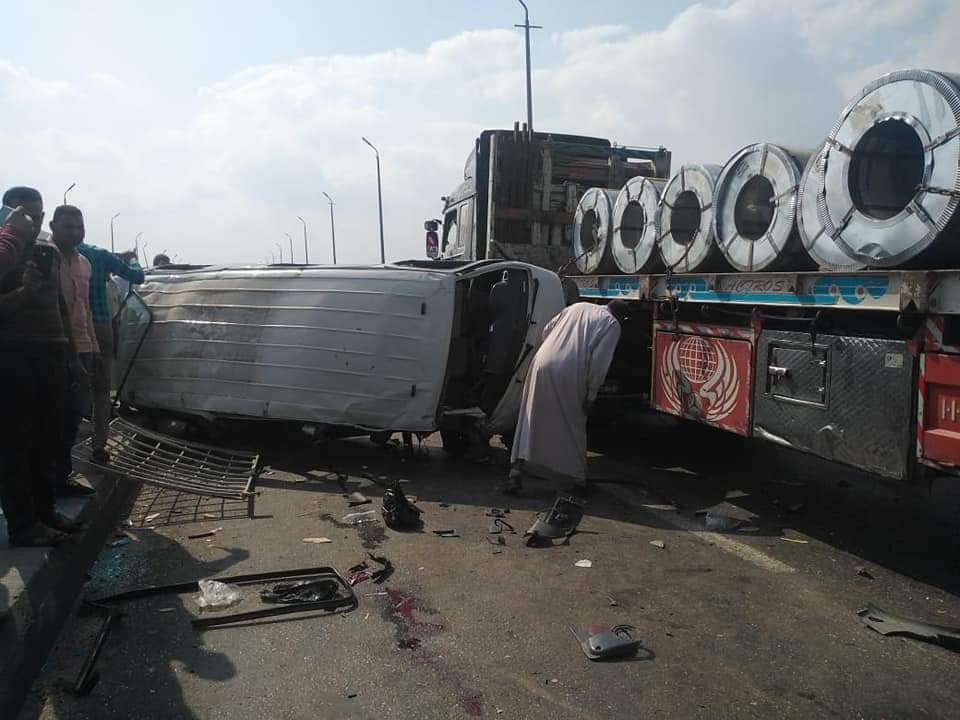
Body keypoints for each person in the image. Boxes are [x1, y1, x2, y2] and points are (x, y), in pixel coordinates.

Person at [0, 187, 83, 545]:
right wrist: (24, 293)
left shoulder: (47, 250)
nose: (32, 223)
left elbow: (59, 305)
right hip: (14, 355)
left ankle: (46, 511)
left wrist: (72, 351)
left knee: (48, 438)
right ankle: (24, 525)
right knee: (16, 443)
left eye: (37, 215)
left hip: (52, 353)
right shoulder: (5, 252)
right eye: (25, 215)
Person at [506, 300, 630, 494]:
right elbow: (600, 362)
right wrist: (591, 395)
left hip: (542, 362)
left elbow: (547, 330)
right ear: (621, 317)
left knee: (531, 418)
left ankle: (516, 471)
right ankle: (577, 479)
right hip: (570, 370)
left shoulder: (578, 306)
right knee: (573, 423)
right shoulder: (612, 324)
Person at [78, 237, 145, 463]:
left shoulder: (52, 250)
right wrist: (133, 259)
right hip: (100, 325)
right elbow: (138, 276)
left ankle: (65, 442)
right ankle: (99, 445)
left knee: (70, 386)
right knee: (101, 389)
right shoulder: (100, 254)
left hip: (66, 326)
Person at [51, 205, 99, 497]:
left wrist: (93, 346)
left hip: (82, 347)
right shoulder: (44, 259)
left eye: (79, 227)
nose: (75, 232)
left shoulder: (84, 264)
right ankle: (49, 480)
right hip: (54, 348)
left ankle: (62, 476)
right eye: (68, 227)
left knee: (74, 416)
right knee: (53, 416)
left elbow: (85, 308)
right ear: (53, 227)